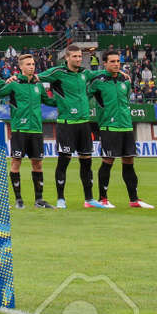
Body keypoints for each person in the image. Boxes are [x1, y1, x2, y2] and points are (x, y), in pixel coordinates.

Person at [40, 46, 107, 208]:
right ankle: (61, 199)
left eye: (80, 56)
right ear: (67, 58)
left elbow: (99, 73)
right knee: (64, 161)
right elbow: (35, 77)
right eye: (75, 56)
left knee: (86, 162)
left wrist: (118, 73)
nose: (78, 59)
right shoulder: (58, 73)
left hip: (84, 124)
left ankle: (89, 200)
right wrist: (15, 78)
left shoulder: (85, 73)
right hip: (66, 125)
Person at [89, 50, 154, 209]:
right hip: (109, 126)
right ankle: (103, 199)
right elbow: (85, 96)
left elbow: (125, 101)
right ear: (105, 63)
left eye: (118, 61)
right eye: (112, 61)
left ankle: (134, 200)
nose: (116, 64)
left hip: (126, 125)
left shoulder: (125, 81)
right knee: (108, 161)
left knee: (129, 161)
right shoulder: (97, 81)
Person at [0, 54, 53, 209]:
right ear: (20, 67)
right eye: (28, 64)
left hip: (36, 129)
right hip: (19, 129)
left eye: (33, 64)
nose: (32, 66)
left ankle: (39, 200)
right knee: (16, 162)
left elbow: (49, 101)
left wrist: (65, 96)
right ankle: (18, 200)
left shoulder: (38, 85)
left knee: (38, 164)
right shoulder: (14, 84)